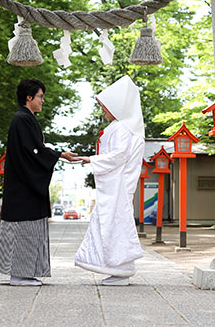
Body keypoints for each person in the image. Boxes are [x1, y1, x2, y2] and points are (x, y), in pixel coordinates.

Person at [0, 78, 75, 286]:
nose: (43, 101)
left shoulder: (24, 119)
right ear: (29, 97)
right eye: (40, 96)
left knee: (27, 230)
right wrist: (58, 154)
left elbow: (34, 150)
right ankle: (19, 275)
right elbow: (33, 152)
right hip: (24, 186)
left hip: (24, 184)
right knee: (25, 229)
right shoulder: (21, 119)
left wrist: (56, 155)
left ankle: (23, 273)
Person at [73, 76, 145, 286]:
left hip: (117, 185)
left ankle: (120, 269)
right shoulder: (127, 127)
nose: (103, 109)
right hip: (118, 185)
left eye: (106, 106)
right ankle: (119, 268)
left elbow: (118, 155)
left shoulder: (122, 128)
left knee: (114, 223)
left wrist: (91, 159)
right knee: (114, 223)